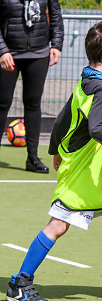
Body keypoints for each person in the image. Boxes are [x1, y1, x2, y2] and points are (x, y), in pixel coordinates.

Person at [5, 21, 102, 301]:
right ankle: (19, 284)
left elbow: (61, 117)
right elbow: (97, 128)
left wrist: (53, 150)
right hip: (85, 174)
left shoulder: (87, 79)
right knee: (58, 225)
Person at [0, 0, 64, 173]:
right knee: (2, 103)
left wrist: (56, 45)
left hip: (39, 52)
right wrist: (2, 51)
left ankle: (33, 159)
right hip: (8, 54)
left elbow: (56, 15)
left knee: (33, 103)